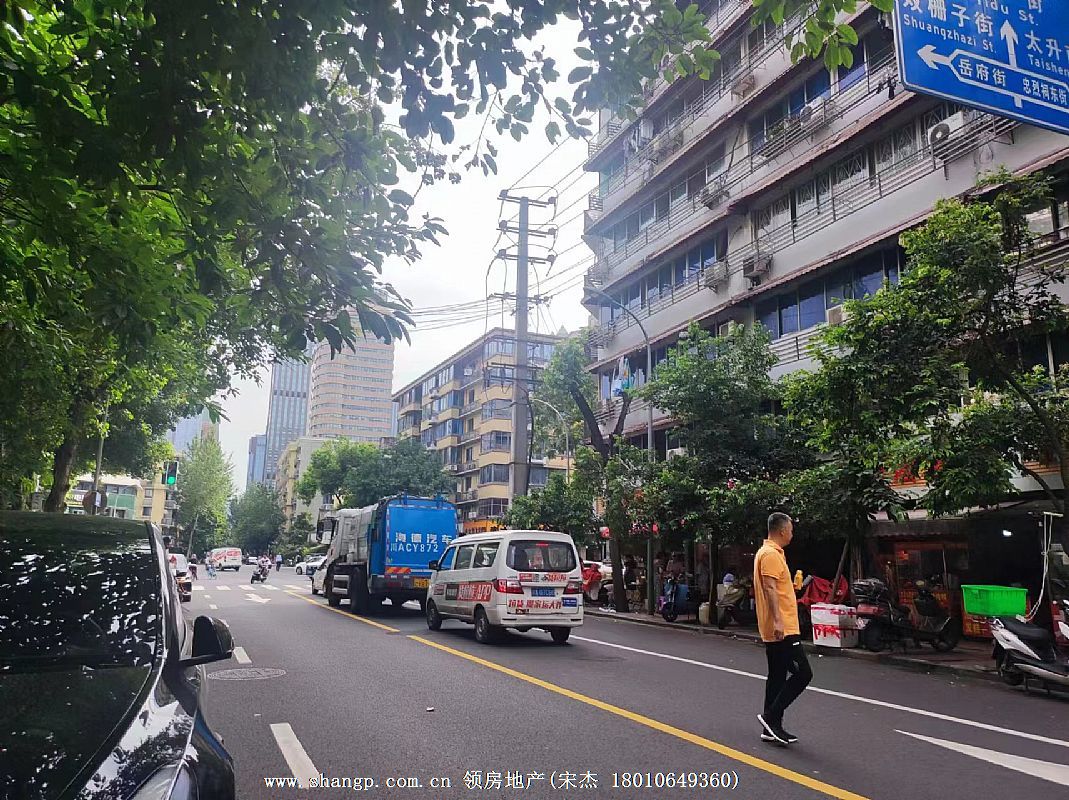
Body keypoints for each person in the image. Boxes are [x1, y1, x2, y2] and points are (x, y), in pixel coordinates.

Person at [755, 513, 811, 747]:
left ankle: (771, 728)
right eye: (790, 530)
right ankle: (770, 717)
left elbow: (776, 589)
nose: (792, 534)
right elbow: (769, 589)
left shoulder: (772, 553)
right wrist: (778, 621)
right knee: (803, 673)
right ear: (781, 530)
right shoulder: (770, 554)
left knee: (777, 675)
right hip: (783, 628)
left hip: (779, 626)